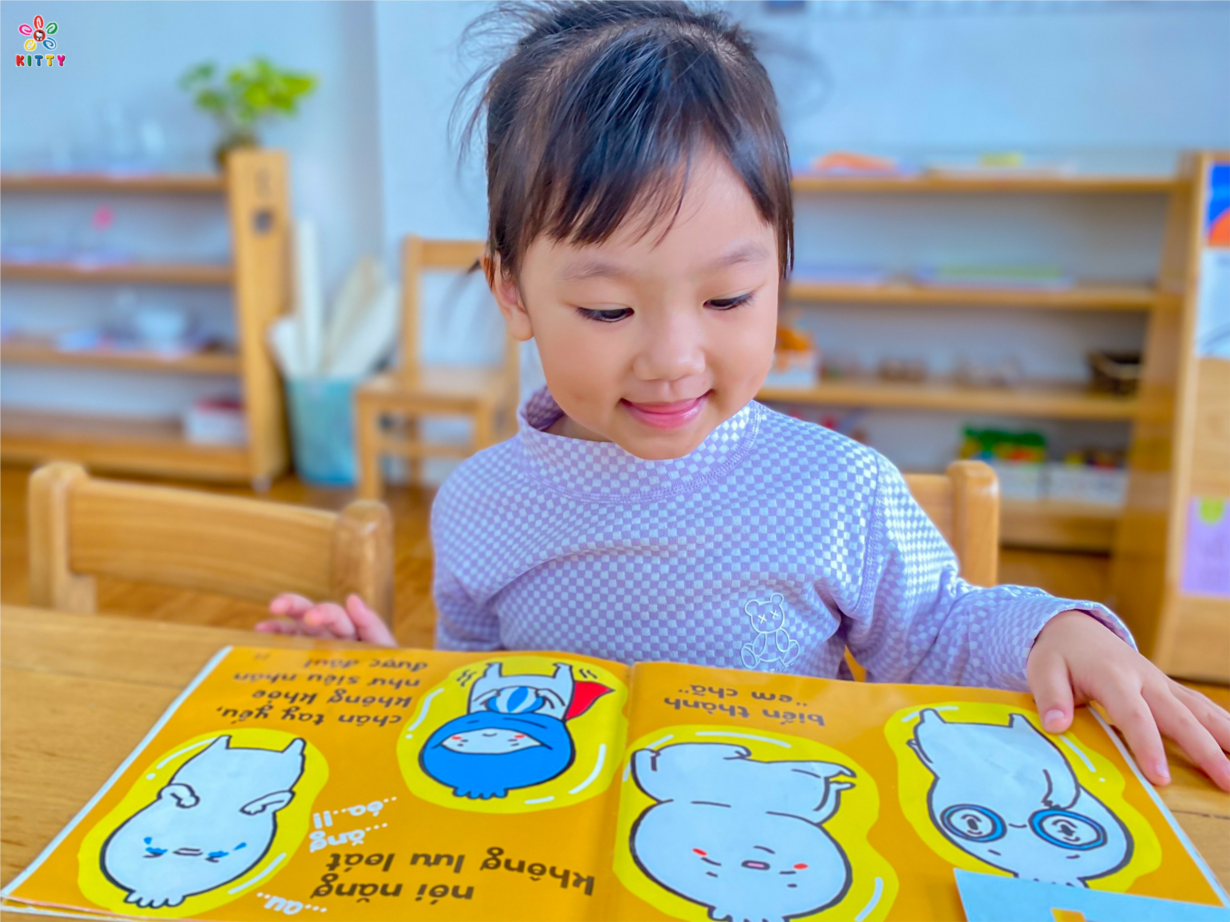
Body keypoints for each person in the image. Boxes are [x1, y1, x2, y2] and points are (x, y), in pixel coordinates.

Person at [258, 0, 1230, 793]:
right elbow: (479, 688)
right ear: (511, 292)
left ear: (780, 275)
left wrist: (1057, 631)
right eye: (607, 309)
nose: (673, 358)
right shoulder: (478, 503)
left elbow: (941, 631)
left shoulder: (839, 490)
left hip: (770, 846)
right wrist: (389, 681)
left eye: (727, 298)